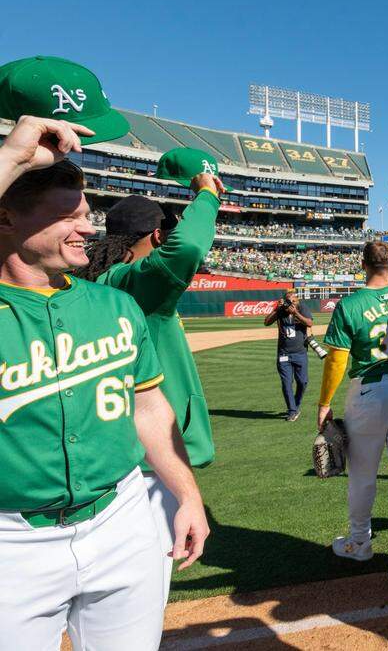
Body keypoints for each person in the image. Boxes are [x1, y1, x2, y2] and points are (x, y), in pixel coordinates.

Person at [0, 115, 208, 649]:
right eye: (67, 216)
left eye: (87, 213)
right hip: (12, 541)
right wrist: (13, 159)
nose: (89, 228)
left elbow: (150, 409)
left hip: (121, 519)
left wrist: (187, 493)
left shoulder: (114, 304)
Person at [75, 172, 224, 604]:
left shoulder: (93, 284)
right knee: (139, 599)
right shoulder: (136, 282)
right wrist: (207, 193)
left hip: (108, 452)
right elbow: (191, 247)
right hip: (149, 464)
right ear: (157, 235)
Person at [316, 225, 388, 591]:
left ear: (364, 264)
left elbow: (336, 361)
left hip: (368, 394)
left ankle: (359, 543)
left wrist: (323, 404)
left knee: (362, 475)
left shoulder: (350, 304)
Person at [264, 290, 314, 420]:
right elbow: (266, 322)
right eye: (288, 301)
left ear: (297, 301)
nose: (290, 304)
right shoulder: (280, 311)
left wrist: (295, 313)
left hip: (300, 352)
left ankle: (295, 405)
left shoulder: (302, 308)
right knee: (286, 383)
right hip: (284, 353)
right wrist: (277, 309)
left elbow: (309, 323)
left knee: (302, 382)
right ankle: (292, 410)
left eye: (293, 301)